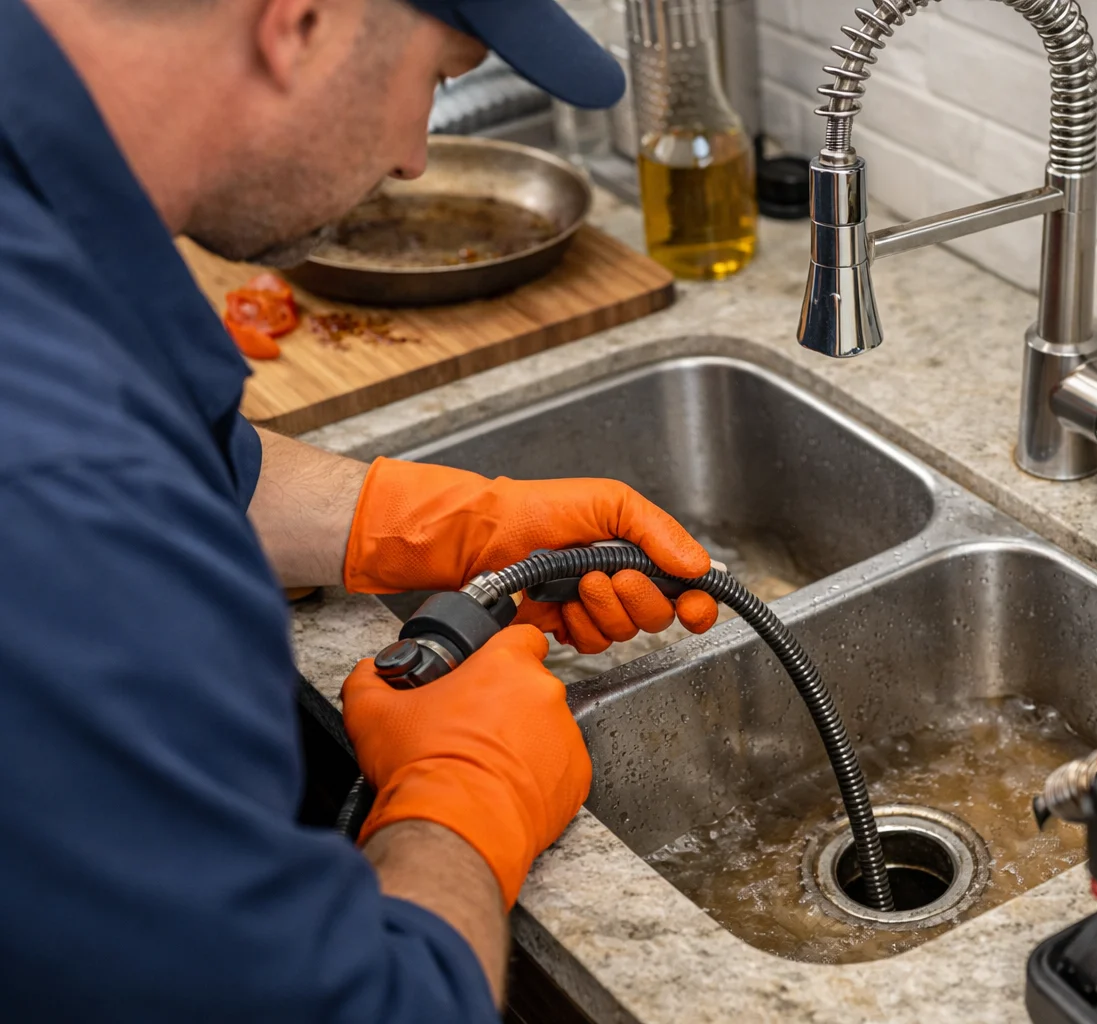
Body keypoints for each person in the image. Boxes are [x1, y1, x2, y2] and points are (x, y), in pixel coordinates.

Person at [0, 0, 719, 1018]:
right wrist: (466, 792)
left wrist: (430, 520)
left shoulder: (43, 207)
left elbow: (183, 452)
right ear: (299, 20)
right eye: (436, 77)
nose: (414, 158)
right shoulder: (58, 497)